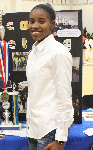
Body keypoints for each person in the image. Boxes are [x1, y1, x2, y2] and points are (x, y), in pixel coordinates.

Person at [26, 3, 73, 150]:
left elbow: (65, 97)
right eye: (32, 21)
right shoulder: (33, 52)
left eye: (41, 21)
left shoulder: (58, 52)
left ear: (52, 24)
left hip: (49, 132)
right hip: (33, 129)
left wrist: (60, 140)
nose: (35, 26)